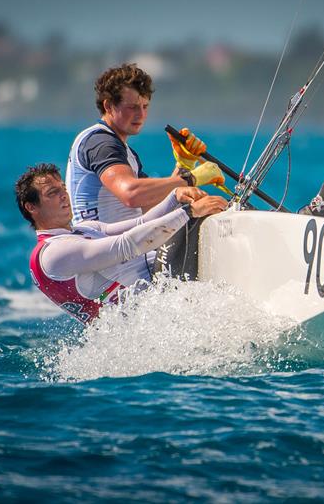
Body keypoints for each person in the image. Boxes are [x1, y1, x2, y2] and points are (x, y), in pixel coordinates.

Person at [16, 163, 226, 323]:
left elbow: (141, 223)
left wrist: (175, 197)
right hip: (146, 317)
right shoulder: (53, 253)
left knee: (186, 217)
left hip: (155, 297)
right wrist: (188, 212)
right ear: (31, 207)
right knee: (190, 222)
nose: (64, 195)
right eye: (53, 193)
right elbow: (127, 245)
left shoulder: (85, 229)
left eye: (63, 188)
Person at [66, 63, 224, 224]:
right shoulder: (101, 143)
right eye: (132, 107)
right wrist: (192, 178)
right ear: (108, 106)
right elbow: (131, 194)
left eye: (145, 106)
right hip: (101, 245)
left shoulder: (125, 151)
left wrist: (184, 165)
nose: (141, 115)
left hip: (120, 244)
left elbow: (150, 205)